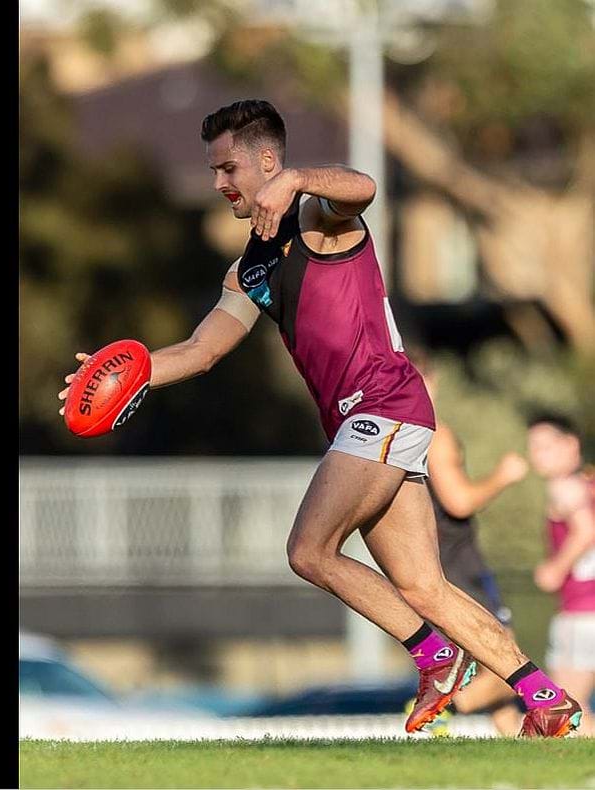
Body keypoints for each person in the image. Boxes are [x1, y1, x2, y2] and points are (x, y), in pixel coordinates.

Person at [59, 99, 580, 737]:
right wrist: (129, 371)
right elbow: (202, 351)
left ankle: (437, 656)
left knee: (309, 551)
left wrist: (300, 179)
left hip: (383, 406)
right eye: (213, 171)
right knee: (424, 588)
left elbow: (363, 186)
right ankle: (545, 697)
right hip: (376, 422)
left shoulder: (319, 220)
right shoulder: (251, 266)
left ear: (269, 160)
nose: (219, 183)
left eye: (228, 168)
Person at [404, 349, 528, 735]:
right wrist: (503, 477)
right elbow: (458, 501)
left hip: (429, 561)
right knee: (509, 662)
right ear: (433, 379)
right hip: (459, 563)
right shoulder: (435, 433)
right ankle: (441, 711)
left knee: (499, 682)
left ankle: (524, 752)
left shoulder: (400, 433)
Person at [526, 412, 595, 731]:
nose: (536, 455)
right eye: (533, 447)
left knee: (565, 714)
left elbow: (585, 531)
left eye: (545, 446)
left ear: (570, 445)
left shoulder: (564, 487)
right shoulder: (585, 484)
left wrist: (555, 568)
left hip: (582, 614)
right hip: (582, 612)